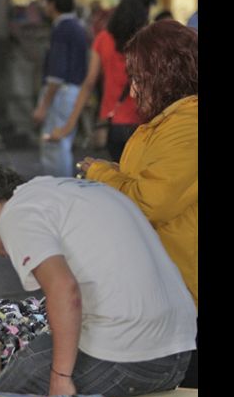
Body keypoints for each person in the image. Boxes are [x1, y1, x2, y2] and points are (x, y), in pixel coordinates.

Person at [0, 162, 196, 397]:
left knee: (4, 392)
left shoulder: (17, 212)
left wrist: (61, 377)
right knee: (39, 350)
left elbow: (64, 290)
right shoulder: (64, 191)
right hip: (180, 350)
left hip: (134, 357)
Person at [78, 19, 198, 307]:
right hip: (168, 286)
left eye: (139, 80)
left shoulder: (188, 125)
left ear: (167, 76)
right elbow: (150, 179)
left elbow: (150, 204)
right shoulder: (170, 121)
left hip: (185, 293)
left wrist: (100, 173)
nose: (132, 92)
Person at [47, 0, 149, 161]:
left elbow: (89, 82)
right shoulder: (146, 43)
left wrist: (69, 125)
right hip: (142, 121)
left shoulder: (103, 39)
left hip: (112, 122)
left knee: (115, 174)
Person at [32, 0, 87, 177]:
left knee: (54, 146)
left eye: (44, 1)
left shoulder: (62, 29)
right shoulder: (77, 26)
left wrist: (43, 106)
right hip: (73, 91)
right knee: (63, 143)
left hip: (61, 93)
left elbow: (56, 75)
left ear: (53, 3)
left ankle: (58, 189)